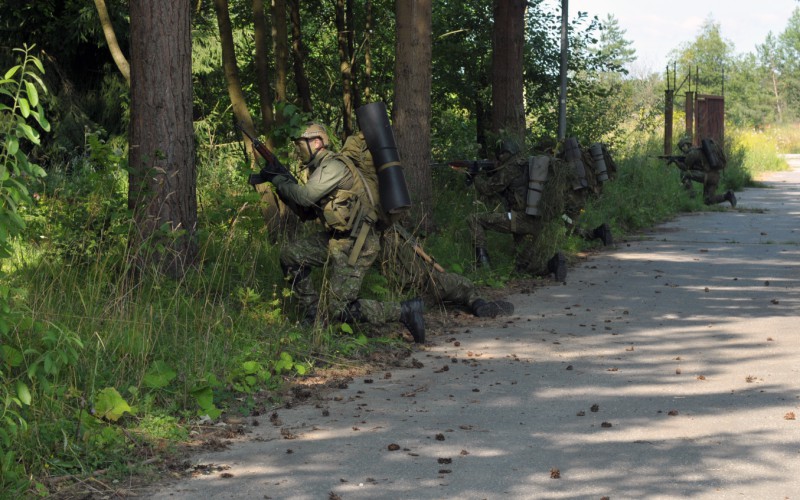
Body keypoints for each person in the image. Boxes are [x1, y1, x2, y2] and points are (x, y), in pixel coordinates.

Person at [255, 122, 426, 343]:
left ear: (316, 143)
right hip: (338, 239)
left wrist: (277, 179)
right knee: (291, 256)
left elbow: (304, 196)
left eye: (301, 144)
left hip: (358, 242)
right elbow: (308, 210)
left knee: (339, 309)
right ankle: (313, 314)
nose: (298, 150)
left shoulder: (333, 166)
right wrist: (283, 183)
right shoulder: (320, 168)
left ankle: (405, 311)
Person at [466, 139, 568, 281]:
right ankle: (554, 264)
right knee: (523, 267)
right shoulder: (528, 165)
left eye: (500, 155)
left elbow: (487, 189)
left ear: (506, 154)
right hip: (536, 220)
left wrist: (475, 177)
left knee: (474, 218)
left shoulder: (510, 168)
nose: (499, 159)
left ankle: (483, 264)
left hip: (518, 219)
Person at [375, 223, 515, 318]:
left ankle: (423, 304)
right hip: (426, 283)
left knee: (448, 289)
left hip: (412, 290)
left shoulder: (384, 231)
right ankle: (479, 305)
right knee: (464, 285)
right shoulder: (391, 231)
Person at [675, 137, 736, 207]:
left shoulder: (692, 153)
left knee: (684, 174)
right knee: (708, 200)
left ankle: (692, 195)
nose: (682, 149)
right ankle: (727, 196)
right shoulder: (699, 151)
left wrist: (676, 162)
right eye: (681, 147)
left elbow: (685, 167)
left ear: (688, 145)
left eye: (683, 146)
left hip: (708, 176)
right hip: (715, 177)